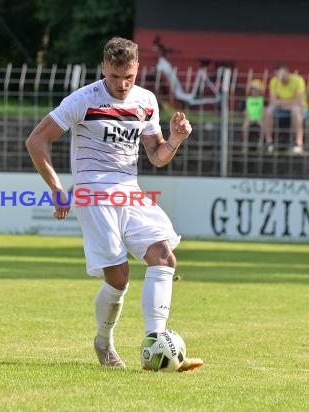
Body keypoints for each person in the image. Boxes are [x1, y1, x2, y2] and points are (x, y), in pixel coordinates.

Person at [26, 37, 203, 372]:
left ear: (137, 71)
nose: (122, 85)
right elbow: (36, 140)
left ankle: (155, 342)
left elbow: (157, 157)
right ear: (103, 68)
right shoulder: (84, 100)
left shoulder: (146, 101)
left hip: (129, 191)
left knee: (164, 257)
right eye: (115, 77)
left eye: (129, 78)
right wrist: (56, 188)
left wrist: (175, 140)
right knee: (119, 278)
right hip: (93, 192)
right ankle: (104, 342)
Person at [263, 64, 307, 154]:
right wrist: (288, 103)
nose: (280, 77)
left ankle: (298, 143)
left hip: (300, 109)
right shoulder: (274, 81)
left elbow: (299, 101)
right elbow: (273, 101)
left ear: (287, 72)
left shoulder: (298, 80)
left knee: (295, 110)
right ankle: (269, 142)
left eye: (281, 75)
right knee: (268, 111)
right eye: (277, 75)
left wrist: (281, 102)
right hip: (282, 108)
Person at [241, 79, 265, 148]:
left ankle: (261, 142)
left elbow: (264, 110)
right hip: (249, 118)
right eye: (253, 89)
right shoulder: (247, 100)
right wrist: (248, 117)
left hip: (259, 118)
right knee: (245, 126)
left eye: (256, 90)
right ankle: (245, 143)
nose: (255, 91)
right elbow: (244, 111)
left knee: (263, 126)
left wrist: (261, 117)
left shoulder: (262, 100)